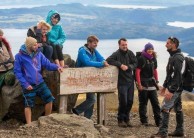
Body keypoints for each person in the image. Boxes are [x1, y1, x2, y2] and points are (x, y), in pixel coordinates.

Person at [14, 37, 63, 124]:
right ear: (29, 46)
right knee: (28, 104)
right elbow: (17, 72)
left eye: (37, 44)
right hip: (28, 85)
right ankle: (29, 125)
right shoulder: (19, 56)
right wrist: (25, 84)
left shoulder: (39, 54)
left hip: (40, 82)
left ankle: (46, 120)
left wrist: (57, 67)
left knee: (49, 99)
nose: (37, 45)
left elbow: (47, 64)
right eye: (35, 44)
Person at [151, 37, 185, 138]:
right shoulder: (173, 56)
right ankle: (179, 130)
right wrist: (165, 86)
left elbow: (177, 75)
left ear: (174, 44)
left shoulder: (177, 58)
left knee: (165, 108)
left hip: (175, 89)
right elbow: (170, 74)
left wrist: (171, 90)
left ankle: (163, 132)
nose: (166, 45)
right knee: (178, 108)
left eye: (168, 43)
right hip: (177, 88)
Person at [72, 35, 109, 119]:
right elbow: (87, 62)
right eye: (94, 43)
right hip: (81, 77)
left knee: (90, 98)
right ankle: (76, 111)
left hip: (90, 78)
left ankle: (87, 118)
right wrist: (101, 64)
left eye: (96, 43)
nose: (96, 45)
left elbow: (101, 58)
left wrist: (103, 61)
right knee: (92, 99)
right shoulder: (82, 51)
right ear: (89, 43)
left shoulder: (94, 50)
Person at [106, 38, 137, 127]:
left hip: (130, 81)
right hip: (121, 82)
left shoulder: (130, 53)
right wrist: (120, 65)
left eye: (126, 45)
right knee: (123, 101)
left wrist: (129, 67)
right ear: (119, 45)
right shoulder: (116, 54)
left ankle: (126, 119)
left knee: (130, 101)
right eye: (123, 45)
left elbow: (135, 63)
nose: (125, 46)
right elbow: (108, 60)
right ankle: (120, 119)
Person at [135, 42, 161, 127]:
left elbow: (155, 70)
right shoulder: (141, 58)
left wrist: (157, 81)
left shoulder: (154, 58)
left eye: (152, 49)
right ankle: (144, 121)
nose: (150, 50)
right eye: (149, 49)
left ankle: (158, 122)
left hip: (152, 84)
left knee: (156, 104)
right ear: (146, 49)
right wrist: (139, 84)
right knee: (143, 104)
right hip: (143, 85)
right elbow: (137, 71)